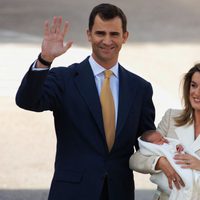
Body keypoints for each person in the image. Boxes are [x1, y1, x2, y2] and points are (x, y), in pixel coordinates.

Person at [15, 3, 155, 200]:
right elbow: (27, 101)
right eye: (100, 33)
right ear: (89, 35)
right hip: (72, 192)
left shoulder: (140, 88)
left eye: (114, 34)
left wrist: (174, 150)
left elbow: (146, 142)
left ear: (125, 36)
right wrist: (44, 60)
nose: (107, 41)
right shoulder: (64, 79)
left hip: (119, 192)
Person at [129, 63, 200, 200]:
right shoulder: (171, 118)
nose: (196, 93)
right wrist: (160, 161)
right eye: (193, 85)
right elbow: (136, 159)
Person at [139, 131, 200, 200]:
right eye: (160, 140)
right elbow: (135, 160)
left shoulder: (167, 144)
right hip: (171, 188)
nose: (164, 140)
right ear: (151, 146)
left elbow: (177, 150)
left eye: (162, 137)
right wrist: (159, 161)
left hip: (191, 171)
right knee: (186, 186)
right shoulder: (168, 121)